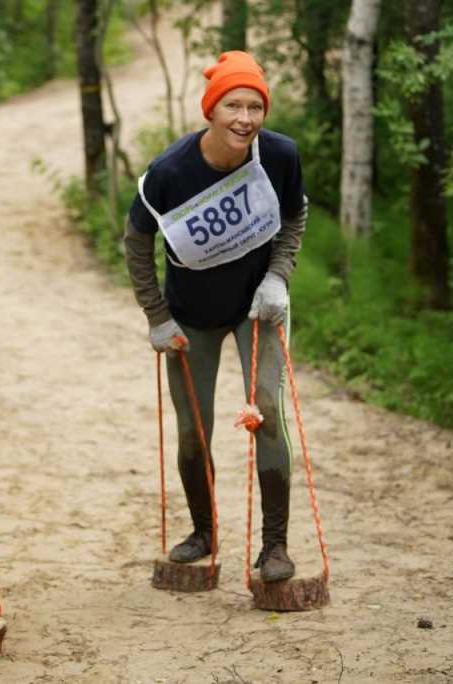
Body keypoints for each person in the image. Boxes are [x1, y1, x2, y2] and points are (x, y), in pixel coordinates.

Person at [124, 51, 307, 582]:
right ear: (211, 109)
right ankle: (203, 532)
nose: (244, 119)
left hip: (258, 307)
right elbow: (137, 242)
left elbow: (294, 215)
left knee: (268, 412)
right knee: (193, 429)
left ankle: (274, 546)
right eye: (233, 105)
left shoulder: (279, 155)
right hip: (191, 316)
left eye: (255, 106)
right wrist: (156, 315)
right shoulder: (170, 171)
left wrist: (278, 276)